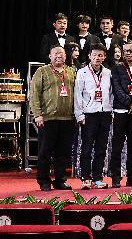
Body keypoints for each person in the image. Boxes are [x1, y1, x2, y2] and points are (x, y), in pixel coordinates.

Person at [30, 45, 77, 191]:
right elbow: (34, 94)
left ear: (66, 56)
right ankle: (43, 180)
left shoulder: (72, 71)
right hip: (47, 118)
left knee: (63, 152)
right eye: (55, 53)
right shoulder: (42, 71)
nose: (59, 56)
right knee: (45, 152)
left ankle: (60, 180)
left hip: (67, 118)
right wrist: (37, 114)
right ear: (50, 56)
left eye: (61, 54)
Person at [73, 44, 113, 190]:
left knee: (101, 148)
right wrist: (79, 115)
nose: (97, 58)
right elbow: (77, 95)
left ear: (104, 57)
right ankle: (85, 178)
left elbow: (111, 93)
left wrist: (110, 110)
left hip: (105, 114)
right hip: (88, 115)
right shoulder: (82, 72)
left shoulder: (108, 73)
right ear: (89, 56)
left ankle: (98, 178)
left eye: (100, 55)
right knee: (87, 148)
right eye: (94, 55)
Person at [110, 41, 132, 188]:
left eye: (131, 50)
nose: (129, 53)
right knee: (117, 146)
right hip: (120, 111)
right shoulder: (117, 68)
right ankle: (116, 177)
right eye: (126, 51)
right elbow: (116, 89)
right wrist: (130, 103)